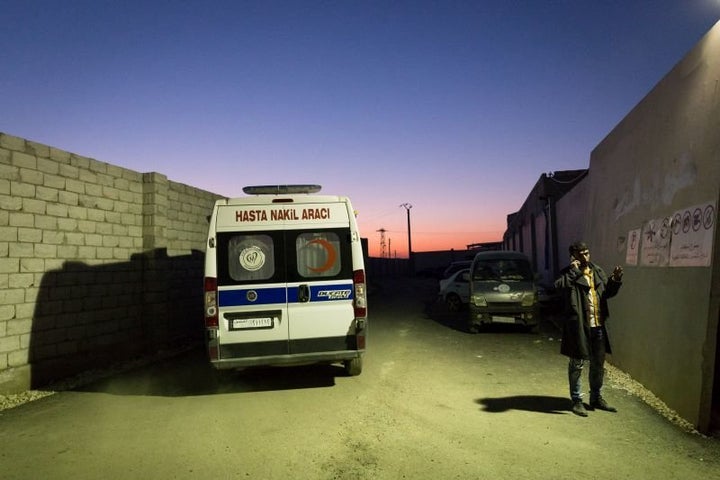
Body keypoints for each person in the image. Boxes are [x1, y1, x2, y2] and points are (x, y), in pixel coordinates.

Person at [554, 241, 624, 417]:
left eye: (587, 253)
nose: (586, 256)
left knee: (598, 364)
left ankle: (596, 398)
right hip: (579, 326)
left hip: (598, 325)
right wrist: (574, 270)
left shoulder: (597, 271)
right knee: (577, 364)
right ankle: (577, 400)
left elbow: (606, 293)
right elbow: (560, 287)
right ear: (574, 256)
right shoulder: (568, 273)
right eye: (581, 254)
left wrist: (615, 280)